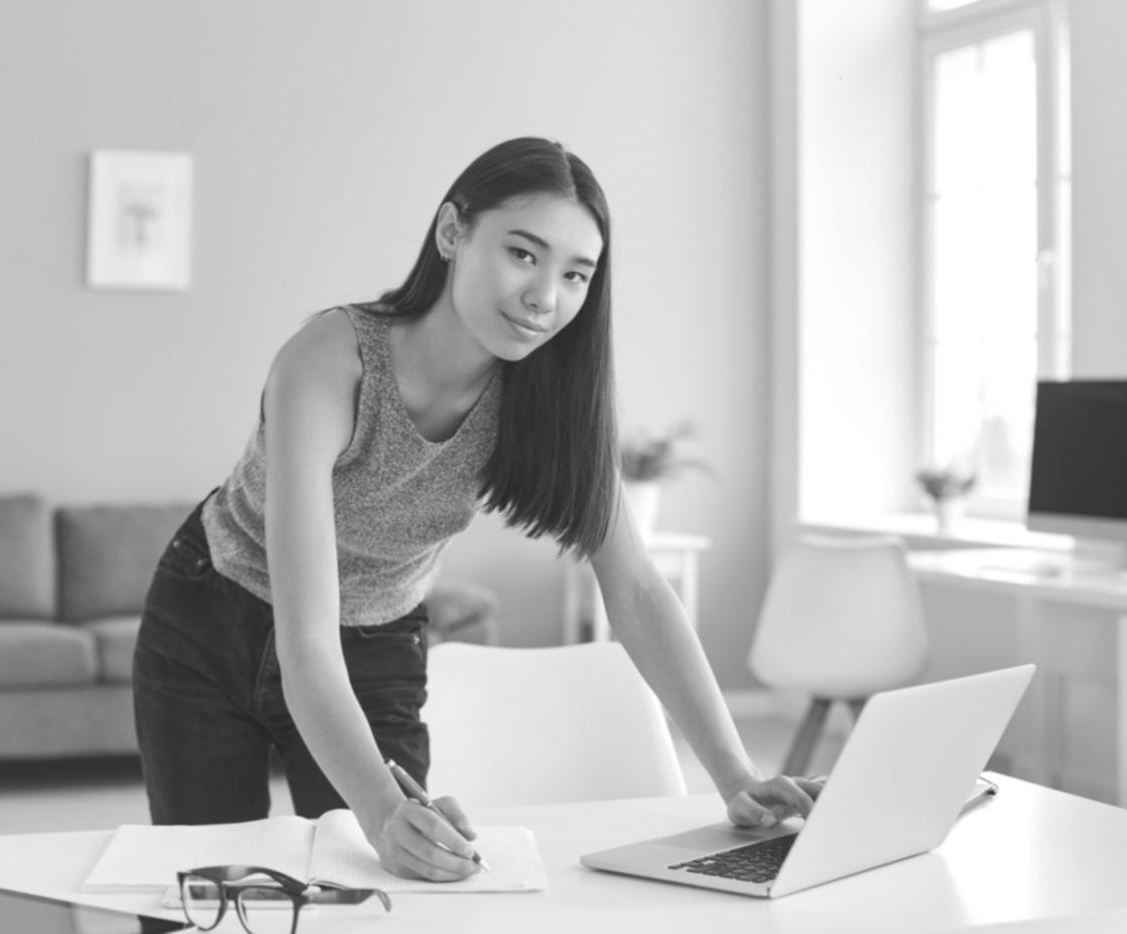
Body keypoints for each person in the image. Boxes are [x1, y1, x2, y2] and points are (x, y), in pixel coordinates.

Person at [132, 136, 821, 883]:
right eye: (523, 254)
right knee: (202, 889)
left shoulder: (550, 400)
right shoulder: (329, 360)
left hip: (374, 639)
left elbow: (638, 589)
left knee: (397, 880)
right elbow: (305, 636)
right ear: (452, 232)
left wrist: (733, 775)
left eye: (575, 273)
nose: (544, 297)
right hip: (211, 617)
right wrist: (376, 807)